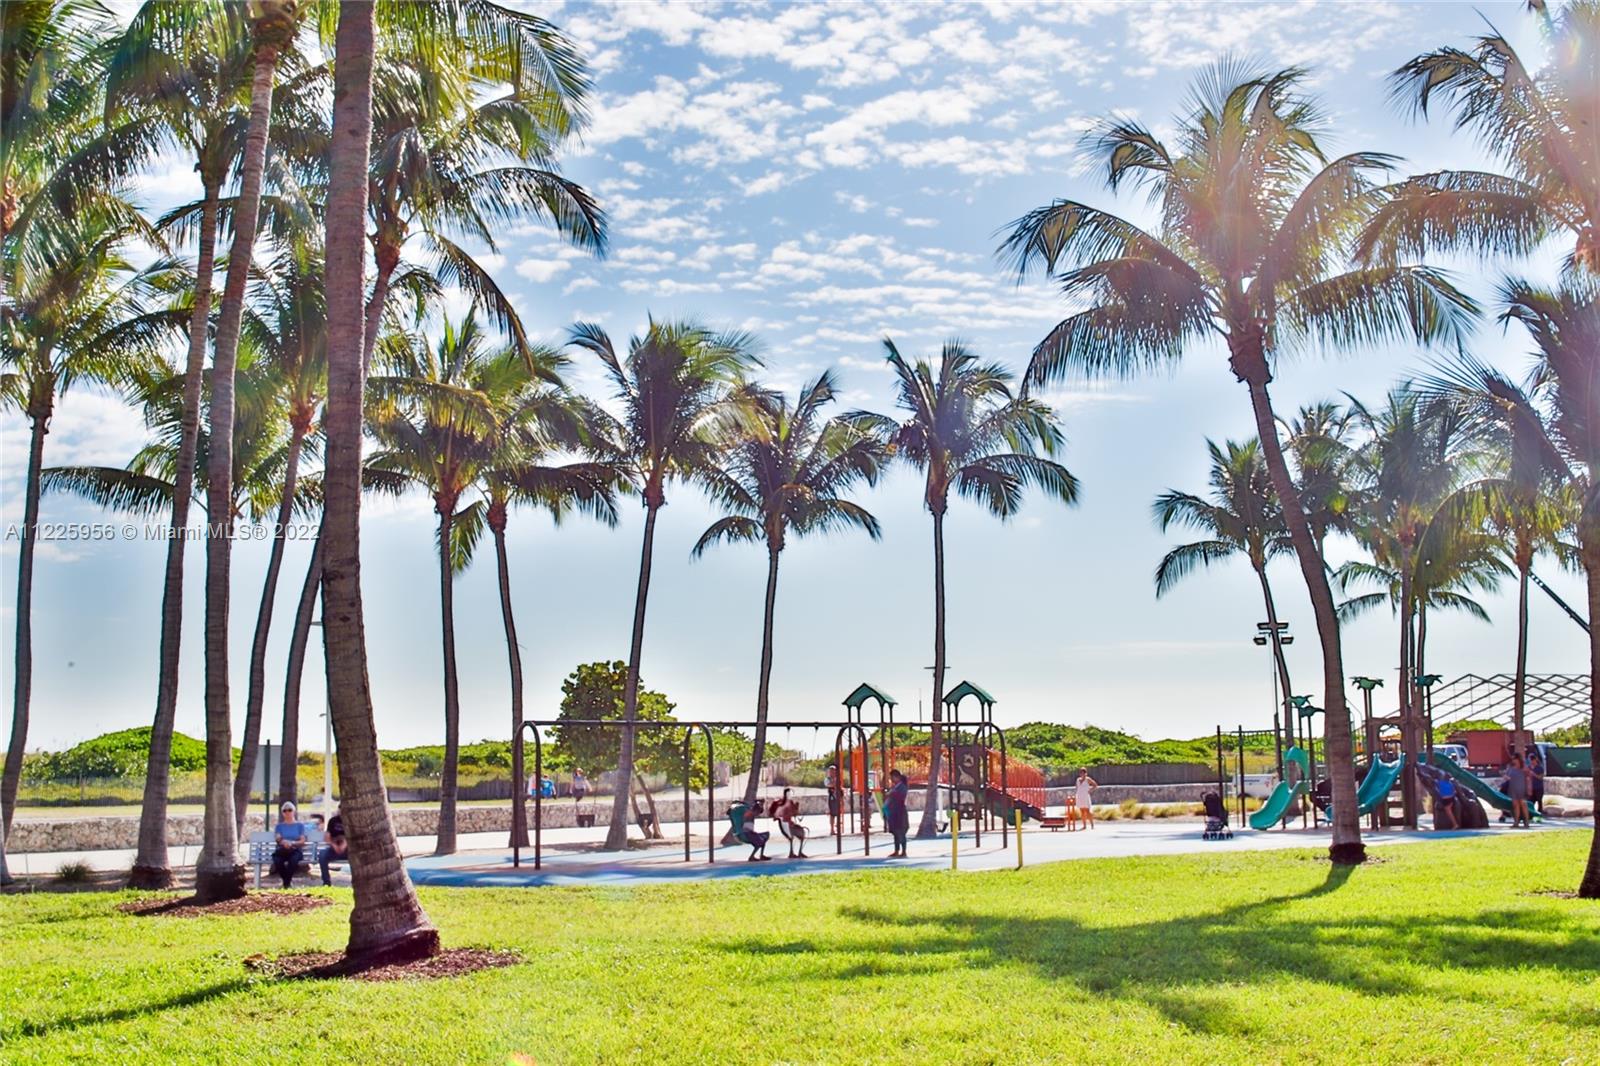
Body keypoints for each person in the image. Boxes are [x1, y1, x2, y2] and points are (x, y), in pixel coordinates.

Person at [271, 801, 308, 889]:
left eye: (290, 810)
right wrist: (284, 842)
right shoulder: (279, 826)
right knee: (277, 860)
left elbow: (302, 840)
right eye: (285, 810)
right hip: (283, 849)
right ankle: (287, 883)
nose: (287, 812)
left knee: (293, 860)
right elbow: (278, 838)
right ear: (282, 813)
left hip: (295, 850)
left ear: (294, 811)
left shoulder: (299, 826)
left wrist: (292, 843)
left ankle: (286, 884)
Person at [772, 788, 808, 858]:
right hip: (787, 825)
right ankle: (798, 852)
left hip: (784, 826)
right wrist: (796, 807)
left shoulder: (781, 802)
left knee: (796, 834)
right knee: (802, 833)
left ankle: (792, 852)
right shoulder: (787, 803)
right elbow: (794, 813)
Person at [883, 769, 910, 857]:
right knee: (895, 832)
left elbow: (901, 797)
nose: (891, 779)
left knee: (900, 831)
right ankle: (896, 850)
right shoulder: (895, 787)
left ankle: (904, 851)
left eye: (892, 777)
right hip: (894, 811)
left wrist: (891, 794)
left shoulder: (902, 787)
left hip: (900, 812)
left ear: (897, 777)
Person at [318, 809, 348, 886]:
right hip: (334, 848)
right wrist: (334, 845)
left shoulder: (351, 820)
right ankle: (326, 882)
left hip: (348, 850)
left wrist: (345, 844)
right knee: (322, 855)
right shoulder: (333, 821)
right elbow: (327, 837)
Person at [1504, 754, 1531, 828]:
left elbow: (1529, 777)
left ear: (1518, 759)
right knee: (1515, 806)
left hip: (1522, 788)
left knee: (1523, 805)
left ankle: (1526, 822)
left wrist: (1529, 788)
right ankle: (1516, 822)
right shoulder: (1510, 768)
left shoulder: (1524, 768)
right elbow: (1507, 776)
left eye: (1515, 759)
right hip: (1513, 788)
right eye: (1513, 759)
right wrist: (1506, 777)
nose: (1513, 760)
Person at [1526, 749, 1546, 816]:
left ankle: (1540, 813)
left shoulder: (1540, 768)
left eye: (1532, 760)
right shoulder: (1528, 767)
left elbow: (1540, 777)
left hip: (1538, 787)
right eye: (1530, 760)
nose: (1531, 761)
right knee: (1531, 802)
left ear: (1535, 759)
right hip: (1531, 788)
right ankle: (1530, 814)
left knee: (1539, 801)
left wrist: (1533, 774)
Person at [824, 764, 842, 835]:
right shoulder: (827, 779)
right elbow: (829, 785)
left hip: (837, 797)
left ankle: (838, 828)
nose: (833, 772)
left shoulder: (837, 778)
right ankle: (832, 830)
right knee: (832, 814)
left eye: (834, 771)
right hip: (831, 798)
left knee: (838, 813)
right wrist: (834, 783)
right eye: (831, 771)